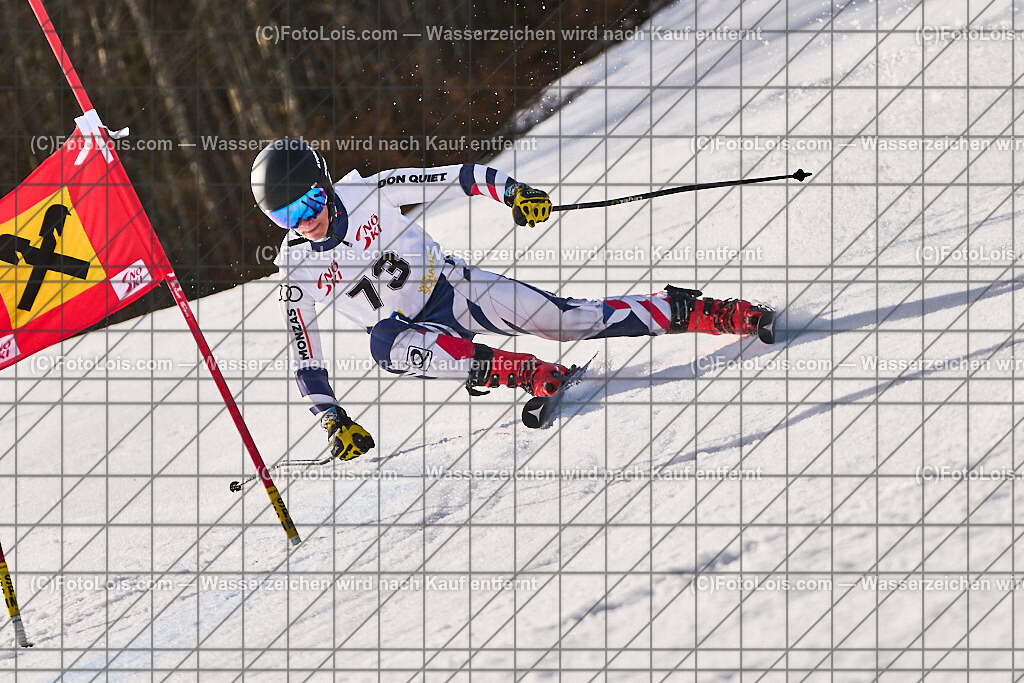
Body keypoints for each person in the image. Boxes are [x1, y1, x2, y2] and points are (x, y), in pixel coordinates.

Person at [251, 138, 775, 461]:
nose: (307, 221)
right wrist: (331, 419)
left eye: (311, 202)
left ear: (325, 183)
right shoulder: (298, 267)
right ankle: (521, 372)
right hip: (417, 335)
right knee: (385, 344)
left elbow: (461, 178)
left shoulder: (371, 190)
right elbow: (306, 357)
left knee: (568, 321)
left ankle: (697, 311)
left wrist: (515, 192)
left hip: (454, 289)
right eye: (286, 217)